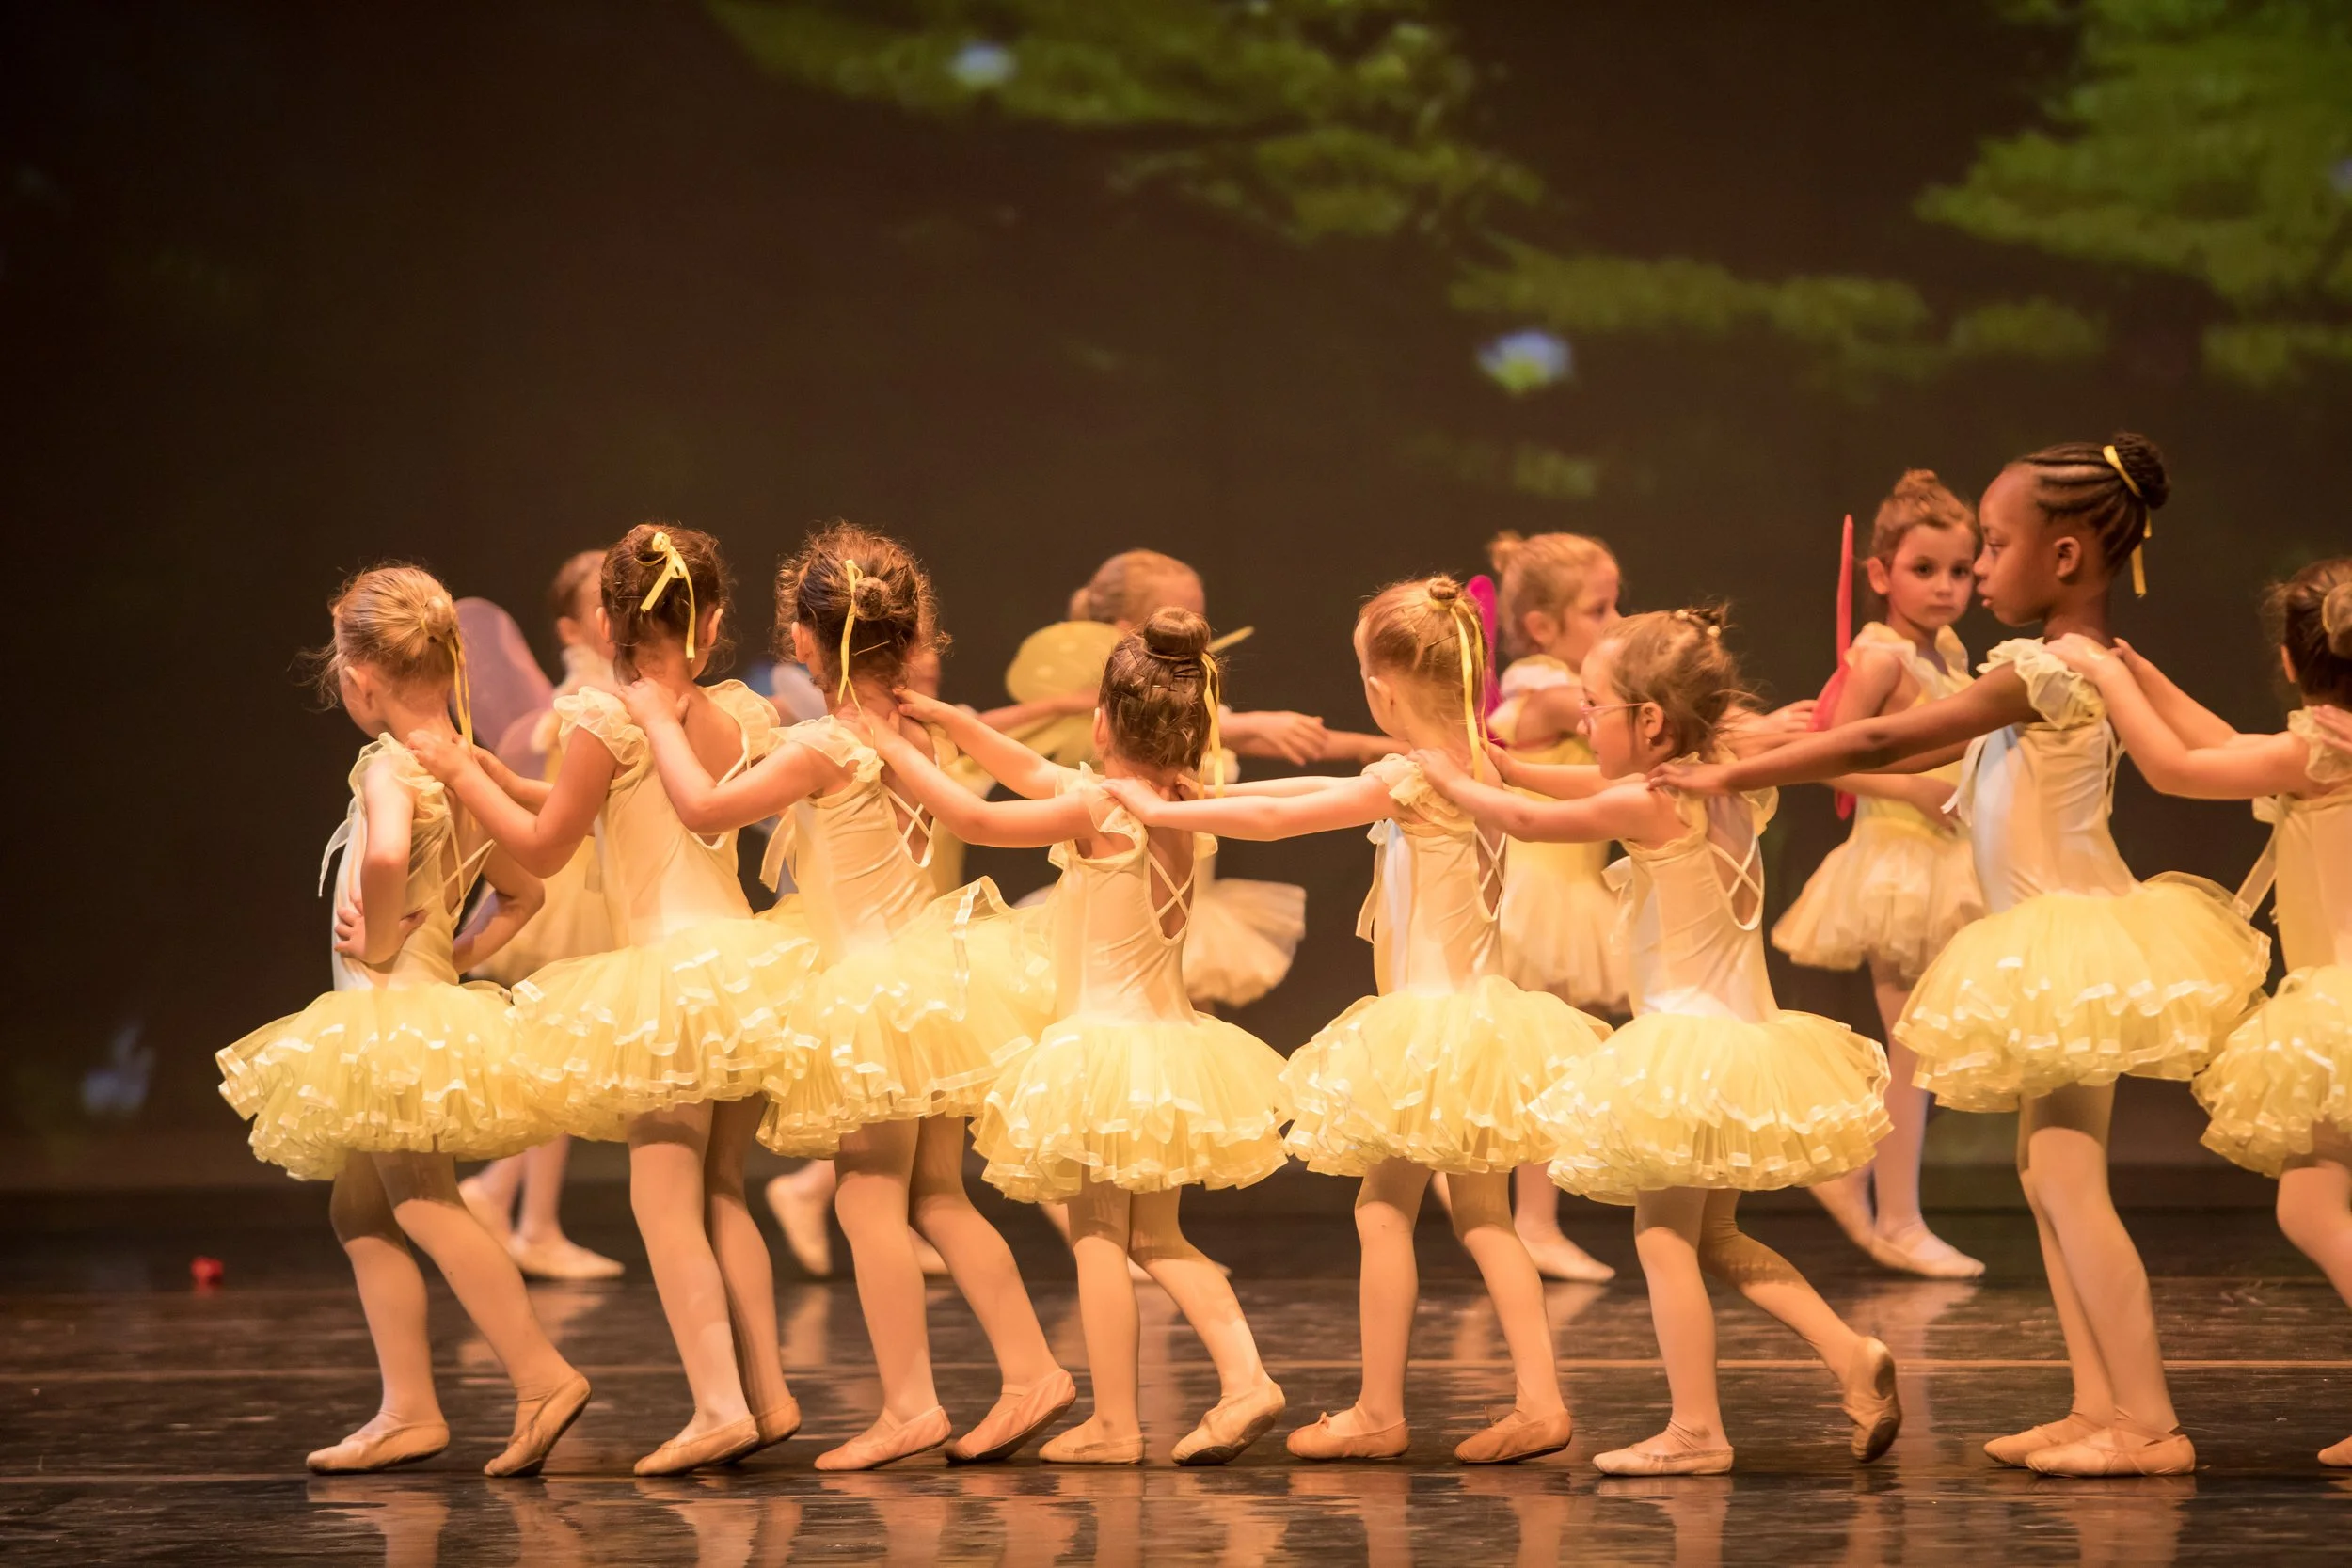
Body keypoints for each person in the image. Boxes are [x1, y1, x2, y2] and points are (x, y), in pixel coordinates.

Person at [1655, 435, 2270, 1476]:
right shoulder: (2073, 665)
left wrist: (1722, 780)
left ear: (2064, 556)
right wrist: (1745, 745)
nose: (1979, 568)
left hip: (2067, 940)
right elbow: (1912, 742)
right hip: (2057, 941)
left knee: (2068, 1182)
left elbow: (1878, 742)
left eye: (1992, 544)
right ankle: (2097, 1403)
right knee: (2045, 1174)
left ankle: (2149, 1420)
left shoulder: (2046, 668)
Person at [1110, 575, 1613, 1465]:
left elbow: (1284, 816)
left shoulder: (1412, 778)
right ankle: (1538, 1398)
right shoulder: (1479, 763)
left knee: (1382, 1212)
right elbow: (1308, 791)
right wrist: (1205, 797)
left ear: (1382, 692)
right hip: (1482, 1024)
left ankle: (1381, 1410)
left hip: (1428, 1033)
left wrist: (1157, 806)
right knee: (1484, 1218)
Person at [1415, 606, 1899, 1477]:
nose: (1583, 720)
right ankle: (1850, 1354)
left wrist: (1454, 779)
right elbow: (1567, 789)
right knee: (1714, 1235)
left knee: (1661, 1237)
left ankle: (1697, 1429)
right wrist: (1509, 763)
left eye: (1593, 706)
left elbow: (1528, 822)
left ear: (1649, 722)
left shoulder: (1653, 803)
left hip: (1688, 1053)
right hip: (1745, 1040)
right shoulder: (1729, 785)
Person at [638, 523, 1072, 1471]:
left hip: (876, 991)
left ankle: (911, 1404)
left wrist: (660, 720)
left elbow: (703, 810)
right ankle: (1031, 1370)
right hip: (932, 979)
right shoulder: (913, 728)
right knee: (937, 1196)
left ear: (806, 638)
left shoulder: (828, 744)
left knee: (869, 1200)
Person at [413, 526, 818, 1476]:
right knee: (723, 1191)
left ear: (605, 623)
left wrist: (465, 772)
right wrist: (499, 774)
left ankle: (719, 1404)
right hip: (739, 968)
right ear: (712, 623)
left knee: (664, 1200)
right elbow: (588, 801)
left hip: (666, 980)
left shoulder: (605, 716)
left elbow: (547, 845)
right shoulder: (739, 713)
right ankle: (767, 1393)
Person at [851, 608, 1292, 1465]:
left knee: (1097, 1234)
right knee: (1156, 1236)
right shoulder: (1179, 802)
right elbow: (1030, 770)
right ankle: (1246, 1378)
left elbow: (977, 819)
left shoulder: (1099, 808)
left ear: (1100, 725)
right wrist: (950, 722)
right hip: (1167, 1047)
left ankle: (1116, 1422)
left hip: (1103, 1053)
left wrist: (895, 747)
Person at [216, 565, 589, 1477]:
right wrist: (450, 956)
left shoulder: (390, 763)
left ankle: (541, 1374)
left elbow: (385, 853)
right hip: (415, 1004)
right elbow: (524, 892)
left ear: (359, 680)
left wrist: (385, 940)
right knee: (361, 1206)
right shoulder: (460, 767)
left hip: (386, 1014)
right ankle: (408, 1407)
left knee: (423, 1198)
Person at [2042, 558, 2352, 1465]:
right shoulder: (2324, 744)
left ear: (2289, 662)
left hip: (2339, 1006)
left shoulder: (2317, 751)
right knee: (2315, 1200)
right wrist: (2142, 673)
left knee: (2312, 1206)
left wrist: (2104, 678)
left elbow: (2179, 768)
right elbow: (2223, 742)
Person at [1771, 475, 1989, 1278]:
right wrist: (1916, 790)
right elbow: (1830, 758)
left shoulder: (1948, 654)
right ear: (1879, 573)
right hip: (1897, 866)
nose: (1945, 587)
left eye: (1960, 570)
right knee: (1914, 1050)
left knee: (1929, 1048)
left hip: (1948, 864)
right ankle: (1895, 1216)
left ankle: (1855, 1173)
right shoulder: (1880, 656)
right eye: (1924, 569)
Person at [459, 549, 627, 1282]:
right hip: (570, 886)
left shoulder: (608, 690)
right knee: (561, 1058)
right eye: (601, 602)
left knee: (562, 1058)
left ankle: (512, 1205)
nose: (616, 613)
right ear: (570, 627)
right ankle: (523, 1214)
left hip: (594, 878)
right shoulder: (585, 697)